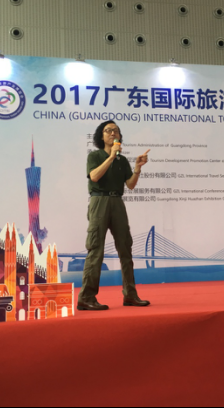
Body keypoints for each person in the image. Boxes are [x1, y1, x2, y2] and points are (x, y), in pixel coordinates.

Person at [77, 120, 151, 311]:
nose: (113, 133)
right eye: (108, 130)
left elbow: (130, 184)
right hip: (99, 201)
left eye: (116, 131)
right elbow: (94, 176)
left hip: (117, 202)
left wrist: (137, 168)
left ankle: (130, 295)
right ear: (101, 136)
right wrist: (111, 156)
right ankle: (86, 297)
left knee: (125, 248)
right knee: (96, 249)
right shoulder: (95, 156)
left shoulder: (122, 160)